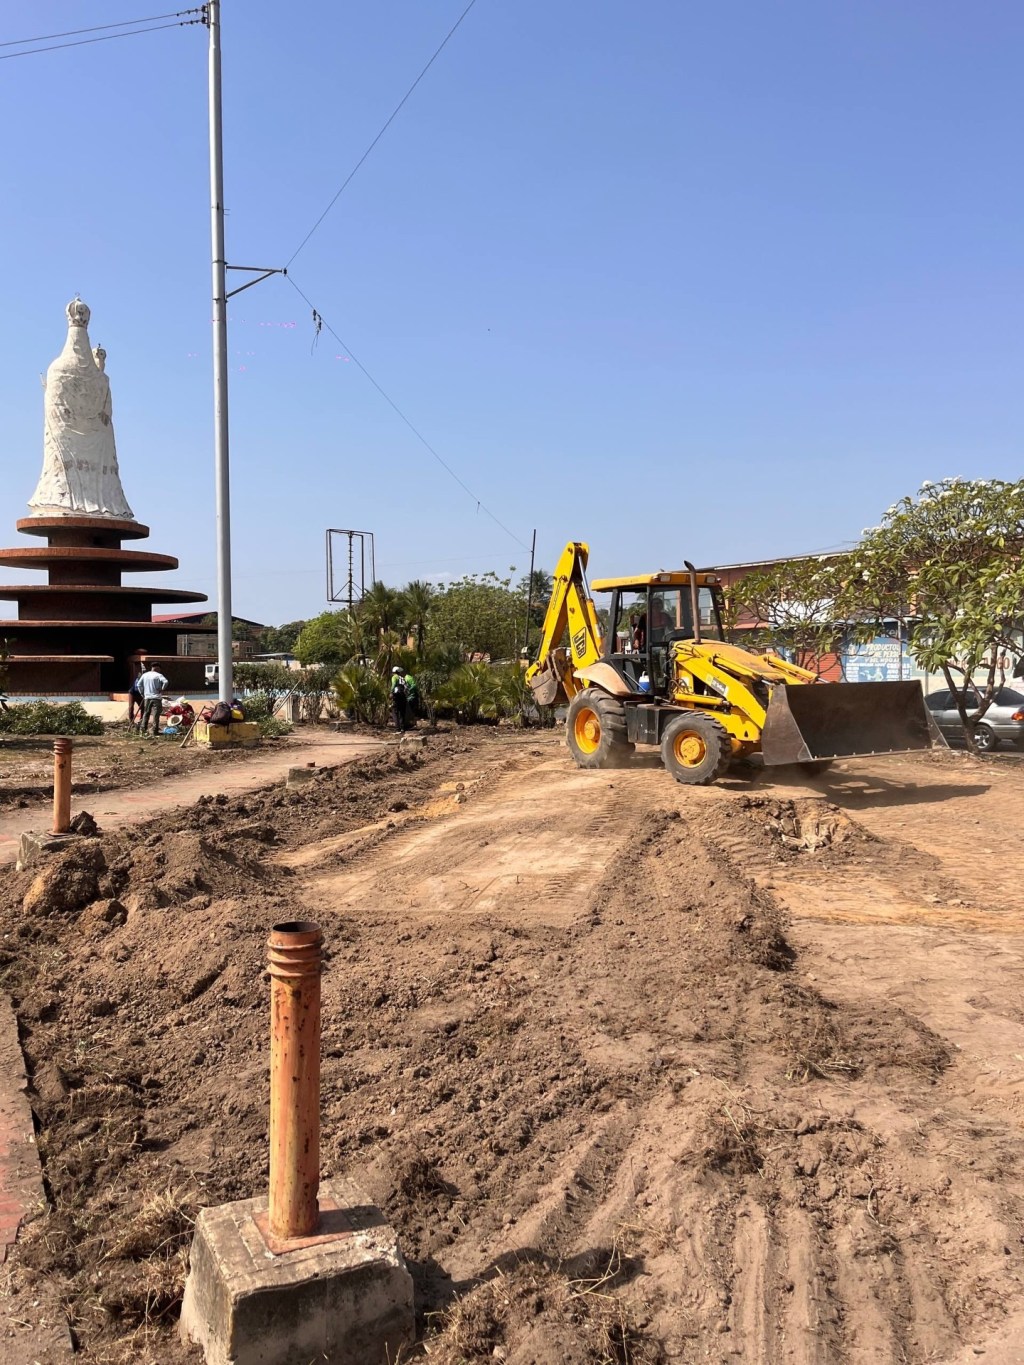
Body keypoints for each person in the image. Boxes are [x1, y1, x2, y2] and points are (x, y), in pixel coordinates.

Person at [138, 660, 169, 736]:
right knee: (156, 715)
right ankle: (154, 731)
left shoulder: (145, 675)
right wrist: (162, 688)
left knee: (146, 713)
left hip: (147, 697)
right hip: (156, 698)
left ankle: (143, 729)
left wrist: (142, 693)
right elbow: (166, 682)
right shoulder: (158, 675)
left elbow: (139, 685)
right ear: (158, 668)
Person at [390, 666, 408, 732]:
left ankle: (398, 728)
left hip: (397, 695)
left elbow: (394, 684)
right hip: (403, 696)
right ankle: (403, 727)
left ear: (394, 672)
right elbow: (406, 687)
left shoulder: (394, 677)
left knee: (395, 711)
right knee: (402, 712)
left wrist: (391, 692)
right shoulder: (402, 678)